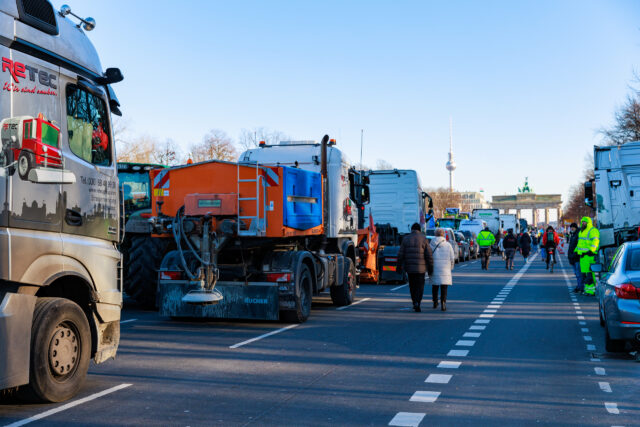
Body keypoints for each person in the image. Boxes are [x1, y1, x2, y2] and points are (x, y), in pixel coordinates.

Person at [398, 223, 434, 311]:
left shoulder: (406, 239)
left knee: (412, 286)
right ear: (419, 229)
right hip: (421, 269)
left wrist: (399, 266)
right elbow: (429, 255)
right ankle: (418, 301)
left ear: (412, 229)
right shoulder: (424, 239)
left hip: (410, 268)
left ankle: (414, 301)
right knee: (420, 286)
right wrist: (430, 268)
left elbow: (401, 254)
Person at [429, 228, 455, 311]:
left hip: (434, 268)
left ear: (435, 234)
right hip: (445, 269)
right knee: (444, 287)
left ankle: (435, 301)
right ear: (443, 235)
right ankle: (443, 303)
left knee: (435, 286)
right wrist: (450, 268)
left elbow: (428, 257)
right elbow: (452, 258)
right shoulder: (448, 245)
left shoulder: (431, 244)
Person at [574, 217, 600, 296]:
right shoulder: (581, 232)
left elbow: (596, 241)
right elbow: (580, 243)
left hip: (589, 256)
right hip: (583, 257)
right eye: (582, 222)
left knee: (590, 275)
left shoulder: (593, 230)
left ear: (588, 222)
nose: (583, 223)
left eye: (585, 222)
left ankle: (591, 291)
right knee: (585, 275)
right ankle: (588, 290)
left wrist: (592, 250)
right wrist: (576, 251)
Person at [567, 223, 583, 293]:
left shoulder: (577, 235)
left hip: (576, 257)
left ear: (576, 228)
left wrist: (574, 255)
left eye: (573, 227)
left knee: (578, 273)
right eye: (571, 227)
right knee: (577, 274)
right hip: (573, 257)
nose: (572, 229)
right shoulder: (573, 235)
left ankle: (580, 287)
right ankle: (579, 286)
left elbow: (577, 246)